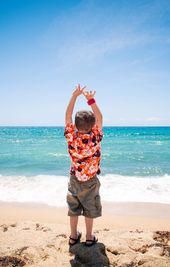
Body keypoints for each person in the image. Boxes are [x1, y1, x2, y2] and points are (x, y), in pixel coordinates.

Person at [64, 83, 104, 247]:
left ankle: (73, 236)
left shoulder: (71, 137)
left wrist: (74, 96)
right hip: (91, 180)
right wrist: (91, 100)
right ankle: (89, 236)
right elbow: (100, 118)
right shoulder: (95, 136)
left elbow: (67, 116)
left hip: (75, 178)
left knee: (74, 207)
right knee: (90, 208)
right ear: (93, 125)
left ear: (75, 125)